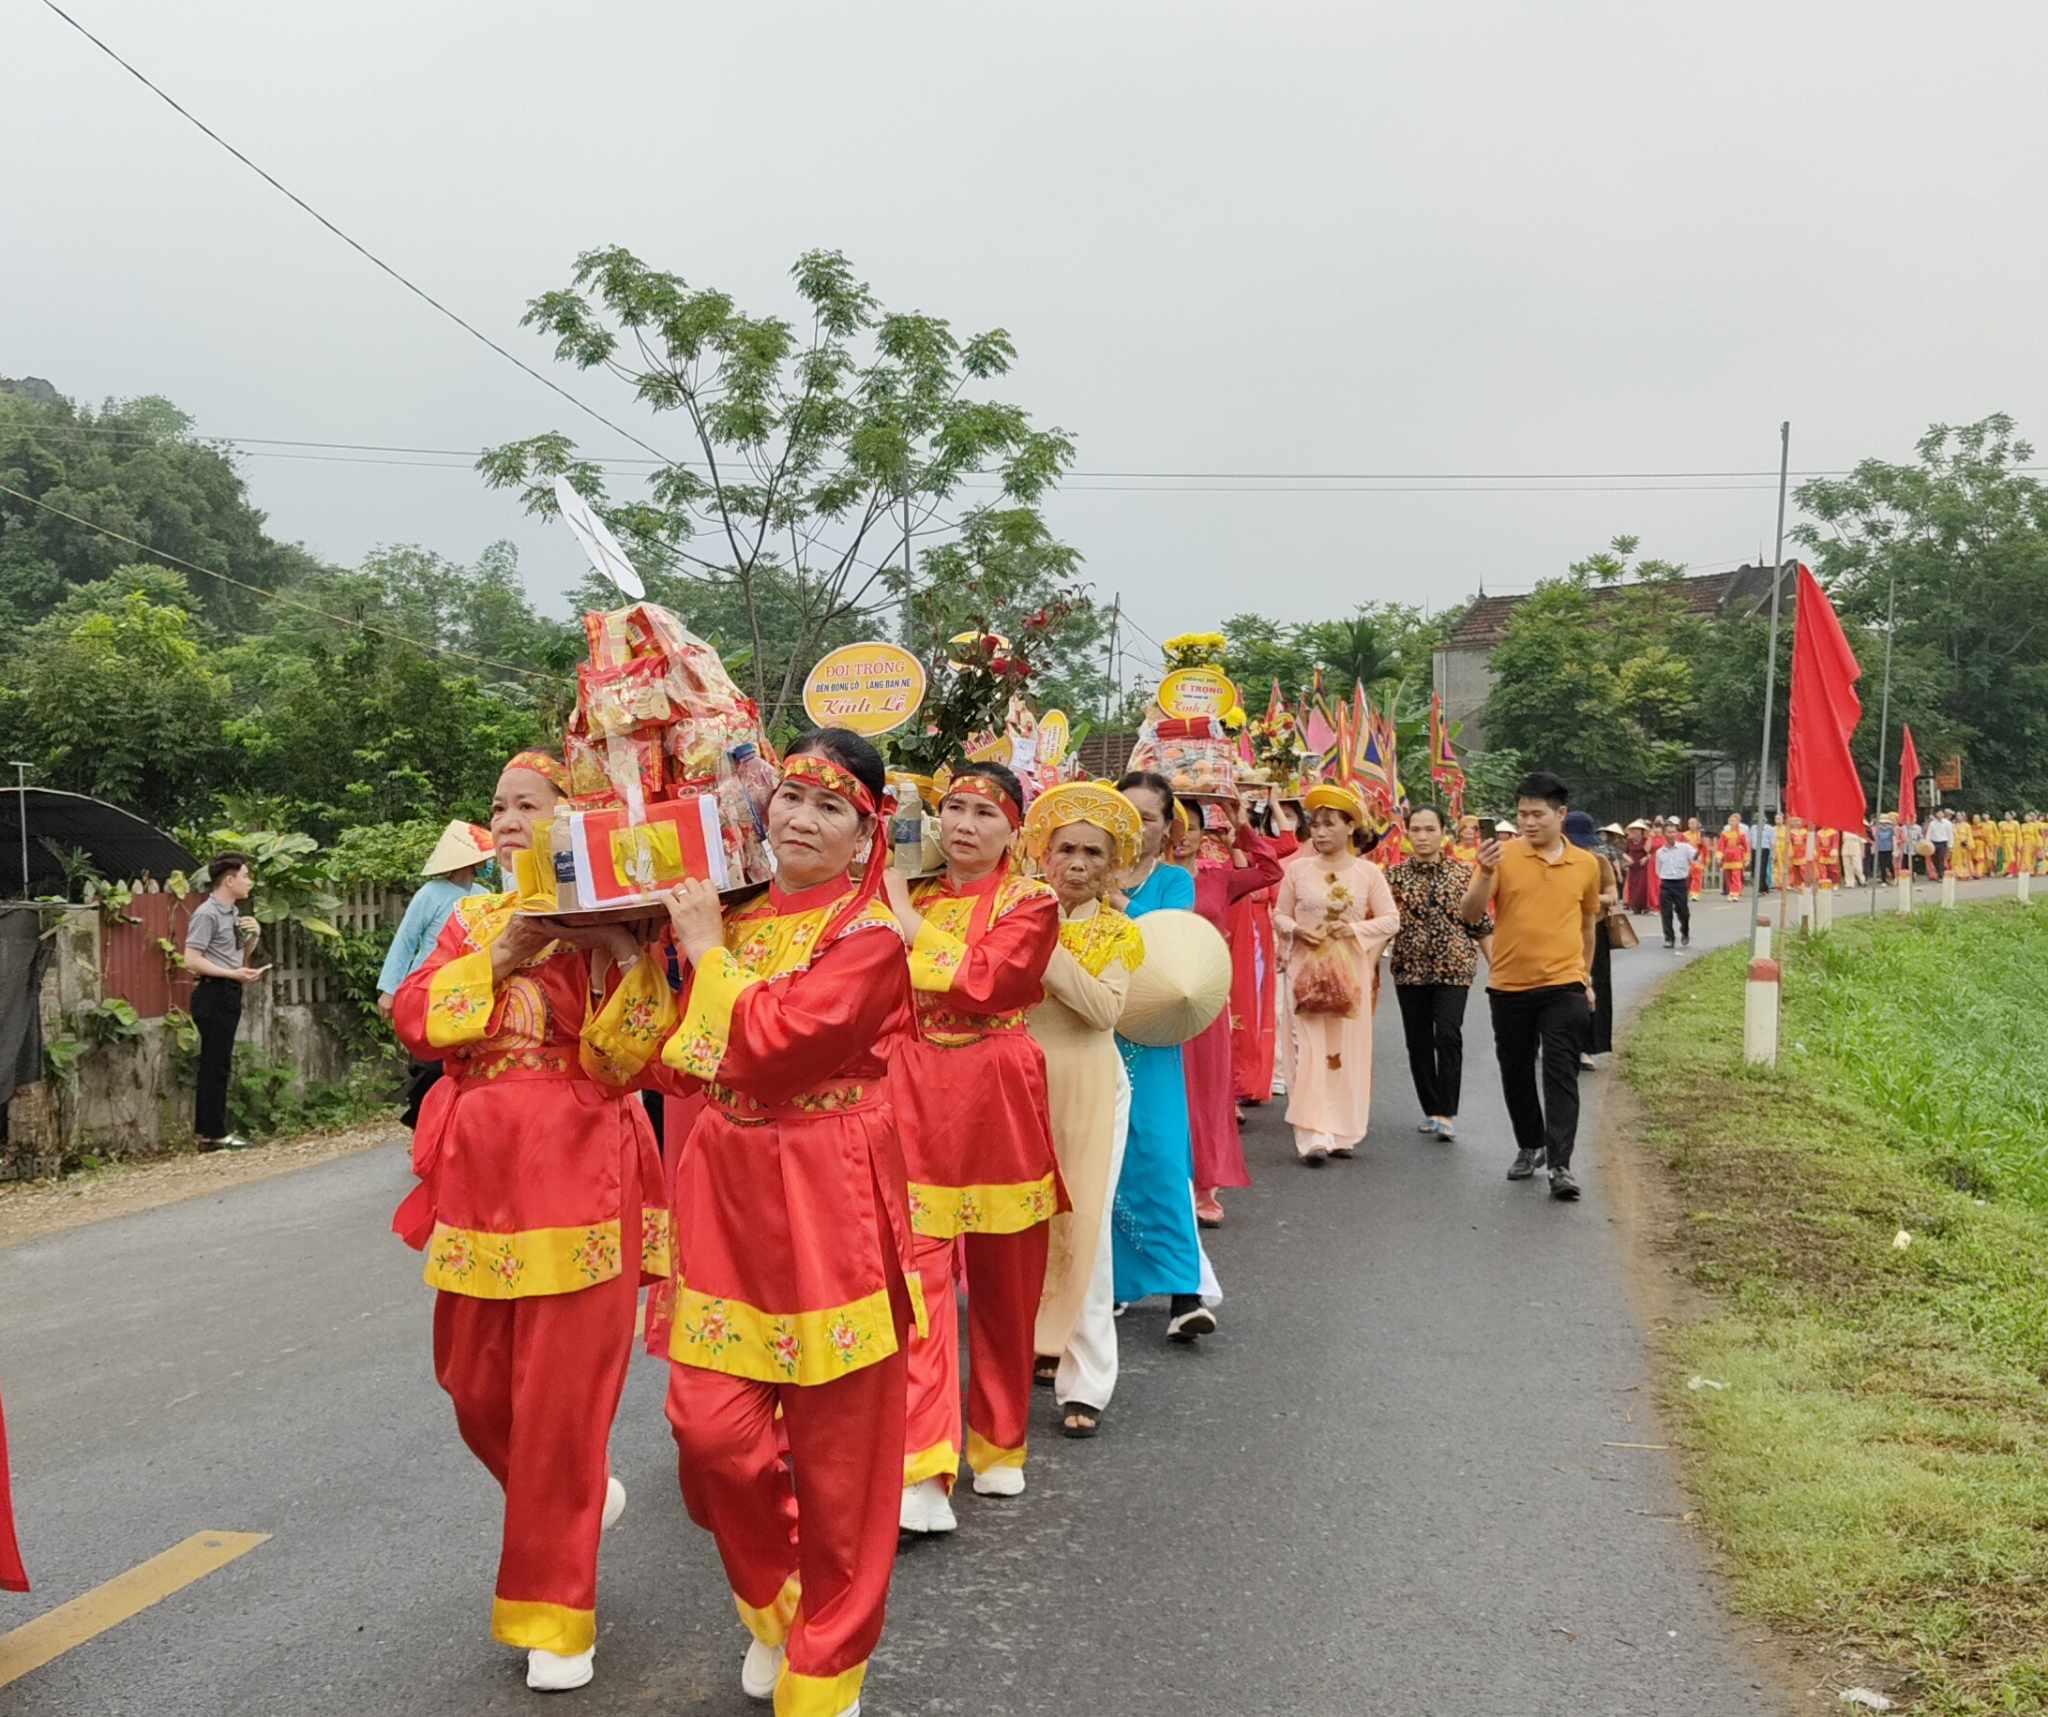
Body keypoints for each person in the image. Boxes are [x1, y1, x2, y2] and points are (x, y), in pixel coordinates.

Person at [636, 730, 919, 1717]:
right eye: (789, 796)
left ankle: (827, 1668)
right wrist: (623, 962)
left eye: (828, 805)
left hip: (829, 1192)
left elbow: (775, 1048)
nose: (799, 817)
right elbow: (675, 1061)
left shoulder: (871, 939)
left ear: (865, 832)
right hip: (724, 1192)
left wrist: (707, 951)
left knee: (843, 1464)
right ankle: (777, 1600)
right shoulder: (737, 916)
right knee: (709, 1433)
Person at [389, 750, 668, 1693]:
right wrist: (500, 954)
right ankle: (581, 1500)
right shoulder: (471, 916)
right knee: (472, 1386)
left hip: (581, 1171)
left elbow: (637, 1060)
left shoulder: (608, 922)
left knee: (557, 1407)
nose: (507, 819)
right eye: (500, 805)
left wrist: (626, 952)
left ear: (571, 817)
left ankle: (559, 1612)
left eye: (529, 805)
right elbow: (420, 1020)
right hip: (478, 1177)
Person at [884, 762, 1060, 1531]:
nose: (963, 824)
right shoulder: (909, 893)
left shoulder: (1032, 902)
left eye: (983, 813)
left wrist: (902, 915)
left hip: (996, 1085)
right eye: (952, 808)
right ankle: (925, 1459)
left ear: (1012, 830)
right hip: (914, 1083)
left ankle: (1000, 1440)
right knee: (917, 1273)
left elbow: (988, 978)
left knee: (1005, 1277)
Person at [1024, 783, 1145, 1440]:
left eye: (1092, 851)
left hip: (1091, 1085)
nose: (1076, 861)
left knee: (1086, 1229)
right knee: (1021, 1227)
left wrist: (1044, 948)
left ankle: (1089, 1378)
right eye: (1065, 847)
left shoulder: (1118, 930)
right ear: (1044, 854)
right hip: (1019, 1083)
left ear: (1113, 863)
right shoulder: (1016, 911)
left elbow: (1103, 1011)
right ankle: (1038, 1342)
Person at [1110, 771, 1216, 1344]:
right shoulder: (1080, 871)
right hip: (1095, 1030)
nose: (1136, 827)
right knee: (1105, 1160)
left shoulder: (1175, 882)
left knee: (1161, 1154)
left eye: (1148, 817)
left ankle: (1185, 1291)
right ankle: (1117, 1282)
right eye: (1126, 815)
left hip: (1150, 1038)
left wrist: (1113, 899)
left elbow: (1165, 947)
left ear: (1166, 826)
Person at [1461, 771, 1602, 1202]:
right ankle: (1530, 1144)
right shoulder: (1501, 856)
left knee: (1560, 1072)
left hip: (1564, 983)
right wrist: (1484, 873)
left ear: (1561, 815)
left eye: (1538, 814)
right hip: (1509, 984)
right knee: (1516, 1069)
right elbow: (1469, 913)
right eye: (1522, 814)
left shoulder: (1587, 864)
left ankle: (1561, 1164)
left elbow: (1586, 925)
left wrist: (1587, 976)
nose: (1529, 822)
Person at [1273, 784, 1400, 1164]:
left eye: (1330, 824)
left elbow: (1391, 919)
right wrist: (1297, 930)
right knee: (1307, 1050)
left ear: (1350, 827)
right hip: (1304, 972)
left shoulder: (1367, 874)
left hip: (1349, 973)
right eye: (1316, 824)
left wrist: (1355, 931)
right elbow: (1279, 915)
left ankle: (1343, 1130)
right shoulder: (1297, 870)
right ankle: (1312, 1135)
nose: (1321, 832)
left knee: (1344, 1052)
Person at [1182, 799, 1283, 1225]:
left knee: (1206, 1096)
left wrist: (1242, 828)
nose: (1180, 833)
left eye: (1190, 825)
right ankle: (1167, 1188)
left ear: (1202, 832)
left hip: (1205, 1000)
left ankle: (1206, 1187)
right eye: (1172, 823)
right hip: (1148, 1001)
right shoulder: (1138, 881)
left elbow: (1269, 872)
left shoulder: (1217, 879)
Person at [377, 820, 493, 1129]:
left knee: (460, 1064)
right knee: (428, 1066)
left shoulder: (484, 895)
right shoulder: (430, 894)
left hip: (466, 992)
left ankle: (450, 1130)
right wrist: (390, 990)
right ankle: (423, 1124)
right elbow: (406, 940)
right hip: (427, 989)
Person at [1385, 805, 1475, 1139]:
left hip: (1454, 967)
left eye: (1430, 829)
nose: (1423, 836)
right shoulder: (1393, 877)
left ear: (1443, 833)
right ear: (1407, 833)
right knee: (1418, 1040)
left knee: (1448, 1035)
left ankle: (1447, 1111)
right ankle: (1431, 1107)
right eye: (1417, 830)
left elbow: (1479, 922)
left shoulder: (1464, 874)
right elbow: (1381, 921)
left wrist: (1500, 968)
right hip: (1409, 969)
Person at [183, 852, 268, 1151]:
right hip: (212, 992)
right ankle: (212, 1134)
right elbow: (191, 960)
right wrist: (231, 973)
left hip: (229, 990)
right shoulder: (207, 914)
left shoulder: (232, 914)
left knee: (220, 1063)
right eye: (245, 876)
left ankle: (213, 1131)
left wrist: (253, 939)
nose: (249, 882)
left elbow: (236, 956)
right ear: (229, 880)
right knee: (214, 1064)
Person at [1230, 792, 1297, 1111]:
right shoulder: (1209, 853)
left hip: (1254, 933)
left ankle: (1246, 1080)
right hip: (1222, 926)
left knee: (1248, 1006)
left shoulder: (1258, 855)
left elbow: (1288, 840)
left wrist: (1272, 802)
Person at [1565, 813, 1620, 1065]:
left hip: (1594, 931)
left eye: (1584, 843)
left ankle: (1587, 1046)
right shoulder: (1557, 862)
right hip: (1562, 933)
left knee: (1595, 986)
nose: (1581, 847)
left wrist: (1589, 900)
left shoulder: (1599, 862)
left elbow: (1612, 895)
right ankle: (1560, 1042)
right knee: (1562, 989)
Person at [1653, 817, 1696, 950]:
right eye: (1668, 832)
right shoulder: (1660, 852)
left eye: (1673, 832)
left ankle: (1685, 931)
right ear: (1664, 834)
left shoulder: (1685, 848)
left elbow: (1696, 858)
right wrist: (1664, 878)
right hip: (1666, 884)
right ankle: (1669, 938)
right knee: (1666, 913)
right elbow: (1657, 869)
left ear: (1677, 833)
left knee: (1683, 912)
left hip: (1680, 884)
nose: (1671, 834)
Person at [1622, 821, 1653, 914]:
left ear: (1641, 831)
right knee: (1632, 886)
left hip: (1642, 866)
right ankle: (1634, 907)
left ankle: (1644, 907)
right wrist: (1627, 858)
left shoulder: (1645, 840)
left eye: (1637, 830)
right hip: (1632, 867)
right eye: (1633, 830)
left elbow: (1650, 853)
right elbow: (1623, 852)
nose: (1635, 832)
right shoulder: (1629, 841)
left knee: (1642, 887)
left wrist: (1645, 858)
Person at [1718, 814, 1750, 901]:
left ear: (1738, 822)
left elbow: (1746, 847)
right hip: (1727, 858)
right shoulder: (1724, 834)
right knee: (1728, 877)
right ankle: (1731, 892)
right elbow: (1721, 846)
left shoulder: (1741, 834)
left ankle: (1735, 893)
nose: (1732, 822)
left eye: (1734, 821)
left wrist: (1747, 859)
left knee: (1736, 876)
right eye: (1730, 821)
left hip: (1737, 857)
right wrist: (1719, 857)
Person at [1927, 807, 1954, 880]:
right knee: (1934, 859)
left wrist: (1950, 845)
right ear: (1935, 814)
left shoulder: (1948, 823)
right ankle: (1939, 871)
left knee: (1941, 858)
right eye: (1938, 813)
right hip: (1934, 843)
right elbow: (1929, 834)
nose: (1940, 814)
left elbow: (1950, 834)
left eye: (1941, 813)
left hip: (1943, 842)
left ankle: (1941, 875)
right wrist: (1927, 843)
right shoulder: (1932, 823)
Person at [1756, 812, 1778, 894]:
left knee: (1765, 869)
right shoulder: (1754, 828)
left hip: (1766, 849)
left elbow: (1773, 842)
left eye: (1762, 820)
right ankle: (1763, 886)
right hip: (1756, 850)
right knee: (1757, 870)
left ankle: (1765, 886)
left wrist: (1773, 853)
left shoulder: (1770, 829)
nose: (1760, 821)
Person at [1875, 813, 1896, 882]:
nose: (1884, 824)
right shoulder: (1878, 829)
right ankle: (1884, 879)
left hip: (1887, 848)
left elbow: (1893, 839)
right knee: (1883, 865)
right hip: (1882, 848)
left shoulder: (1891, 829)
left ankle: (1892, 877)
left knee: (1888, 864)